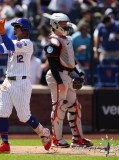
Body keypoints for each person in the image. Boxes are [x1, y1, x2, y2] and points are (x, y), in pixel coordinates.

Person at [0, 14, 51, 153]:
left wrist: (2, 32)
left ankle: (43, 132)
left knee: (24, 117)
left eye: (18, 27)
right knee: (2, 112)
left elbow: (11, 45)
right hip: (8, 81)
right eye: (15, 27)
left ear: (25, 30)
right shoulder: (12, 40)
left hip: (21, 83)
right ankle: (4, 144)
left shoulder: (28, 44)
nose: (15, 29)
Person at [44, 13, 93, 148]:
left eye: (66, 23)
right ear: (55, 25)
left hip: (68, 75)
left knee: (75, 107)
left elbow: (72, 60)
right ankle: (56, 139)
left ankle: (78, 139)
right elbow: (53, 65)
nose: (65, 26)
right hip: (57, 76)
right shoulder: (53, 42)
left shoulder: (67, 39)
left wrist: (79, 72)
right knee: (60, 106)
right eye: (62, 23)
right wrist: (60, 82)